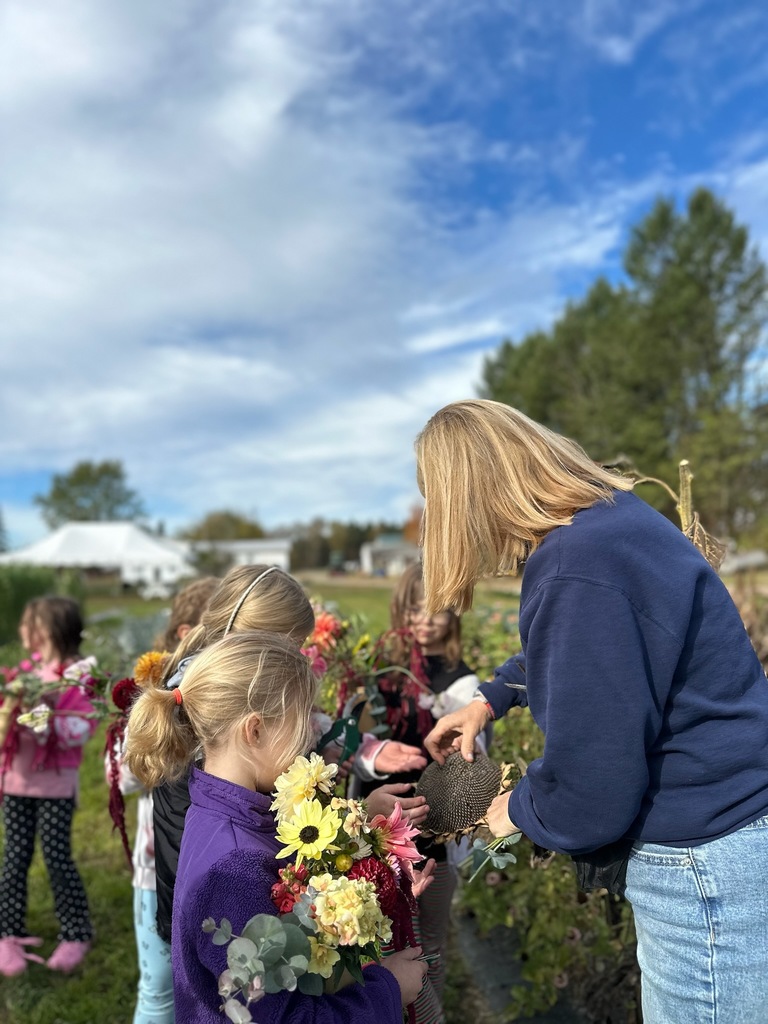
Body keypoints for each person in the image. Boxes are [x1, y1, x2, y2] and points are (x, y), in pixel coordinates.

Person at [419, 399, 768, 1024]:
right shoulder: (612, 525)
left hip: (703, 864)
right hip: (733, 838)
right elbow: (594, 653)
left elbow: (595, 786)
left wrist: (514, 810)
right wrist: (489, 699)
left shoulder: (577, 565)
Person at [124, 630, 428, 1024]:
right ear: (254, 731)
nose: (309, 738)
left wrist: (361, 850)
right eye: (303, 722)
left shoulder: (225, 813)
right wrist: (387, 989)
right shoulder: (233, 869)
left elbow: (290, 900)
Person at [151, 564, 429, 946]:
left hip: (215, 914)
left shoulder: (219, 691)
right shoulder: (213, 717)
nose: (299, 654)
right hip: (222, 924)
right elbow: (270, 829)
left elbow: (305, 731)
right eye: (291, 646)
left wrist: (361, 758)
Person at [351, 563, 483, 1024]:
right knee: (380, 938)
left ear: (453, 616)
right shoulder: (378, 674)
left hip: (433, 834)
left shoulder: (461, 683)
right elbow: (351, 740)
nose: (424, 620)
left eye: (436, 611)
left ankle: (428, 1012)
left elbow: (472, 757)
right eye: (413, 609)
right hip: (378, 827)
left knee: (429, 940)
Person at [107, 576, 219, 1023]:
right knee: (157, 986)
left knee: (201, 986)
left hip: (205, 863)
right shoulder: (159, 692)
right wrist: (166, 738)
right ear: (186, 634)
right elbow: (122, 776)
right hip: (155, 869)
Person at [0, 596, 98, 976]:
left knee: (57, 859)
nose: (23, 631)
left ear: (46, 630)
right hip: (16, 781)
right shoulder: (27, 673)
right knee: (14, 857)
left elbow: (80, 729)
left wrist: (45, 716)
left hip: (54, 786)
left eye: (28, 624)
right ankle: (8, 933)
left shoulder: (78, 676)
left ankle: (76, 932)